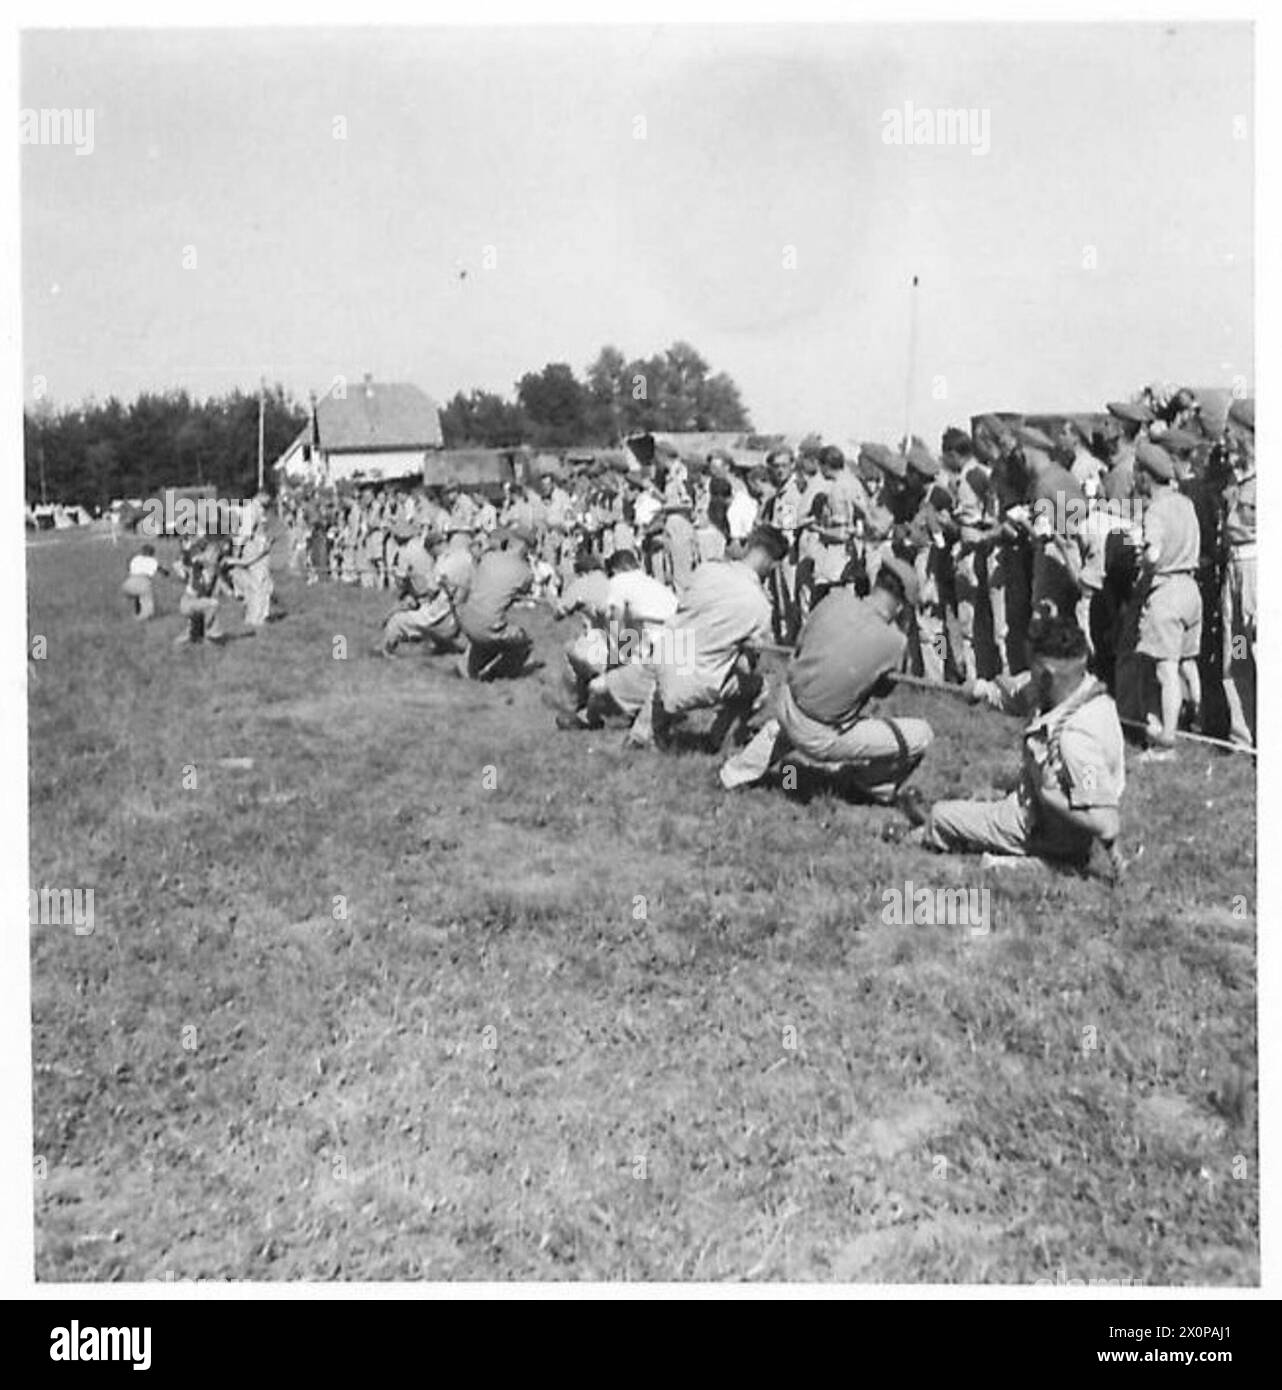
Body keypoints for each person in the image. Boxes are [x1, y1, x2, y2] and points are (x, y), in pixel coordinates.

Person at [896, 615, 1125, 878]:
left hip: (1042, 826)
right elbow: (1016, 693)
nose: (1030, 674)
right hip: (1036, 803)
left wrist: (1054, 799)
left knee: (942, 815)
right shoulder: (1076, 688)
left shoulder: (1077, 739)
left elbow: (1105, 823)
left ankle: (922, 833)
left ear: (1047, 675)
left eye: (1034, 668)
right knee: (976, 793)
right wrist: (982, 690)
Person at [720, 556, 934, 803]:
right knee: (922, 734)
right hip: (820, 734)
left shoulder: (834, 600)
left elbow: (801, 644)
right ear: (900, 606)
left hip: (788, 702)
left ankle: (733, 774)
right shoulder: (895, 642)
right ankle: (870, 786)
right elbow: (883, 691)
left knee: (786, 725)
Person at [627, 524, 788, 750]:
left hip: (666, 663)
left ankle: (644, 733)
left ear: (749, 545)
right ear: (773, 563)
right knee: (758, 687)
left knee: (674, 656)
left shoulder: (706, 570)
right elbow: (748, 665)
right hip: (701, 681)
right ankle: (720, 738)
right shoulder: (760, 606)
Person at [1131, 440, 1203, 758]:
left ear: (1146, 476)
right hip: (1191, 590)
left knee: (1164, 670)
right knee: (1188, 662)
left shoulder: (1155, 511)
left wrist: (1142, 554)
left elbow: (1154, 554)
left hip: (1166, 593)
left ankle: (1167, 741)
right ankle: (1196, 719)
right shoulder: (1185, 503)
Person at [456, 527, 536, 680]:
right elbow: (523, 591)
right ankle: (497, 675)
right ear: (526, 548)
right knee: (522, 641)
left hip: (465, 619)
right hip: (487, 626)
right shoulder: (525, 572)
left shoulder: (489, 557)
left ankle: (468, 669)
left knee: (488, 635)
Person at [121, 543, 168, 620]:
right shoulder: (152, 561)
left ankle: (137, 612)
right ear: (152, 553)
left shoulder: (135, 559)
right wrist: (166, 573)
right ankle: (140, 620)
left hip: (128, 584)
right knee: (148, 608)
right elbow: (162, 570)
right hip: (142, 583)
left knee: (138, 596)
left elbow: (128, 567)